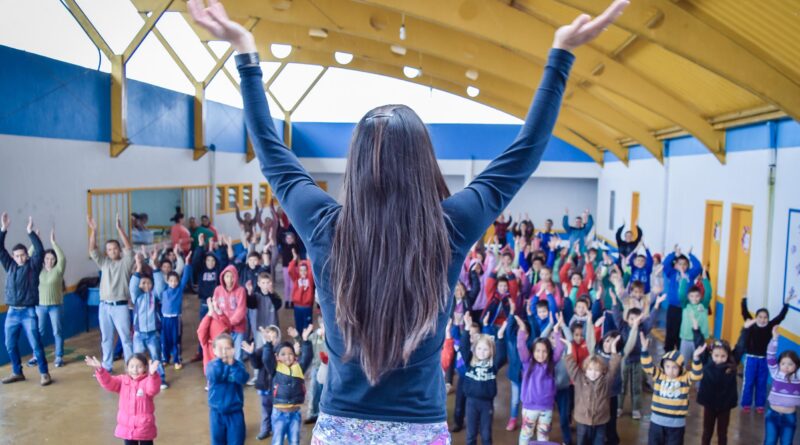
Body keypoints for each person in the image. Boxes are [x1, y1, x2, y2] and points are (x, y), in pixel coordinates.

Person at [187, 0, 629, 441]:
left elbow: (270, 149)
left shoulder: (324, 225)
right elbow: (523, 154)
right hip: (419, 429)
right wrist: (560, 57)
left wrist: (245, 52)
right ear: (423, 164)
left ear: (355, 167)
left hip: (341, 428)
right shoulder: (450, 226)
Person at [0, 213, 51, 385]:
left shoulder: (33, 266)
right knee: (10, 344)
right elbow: (0, 249)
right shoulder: (10, 266)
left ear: (27, 256)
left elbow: (40, 251)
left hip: (29, 312)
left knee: (36, 344)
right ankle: (17, 372)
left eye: (23, 255)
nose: (20, 258)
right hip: (12, 312)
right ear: (13, 257)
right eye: (17, 255)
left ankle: (44, 373)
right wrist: (3, 229)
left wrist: (31, 233)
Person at [88, 213, 135, 372]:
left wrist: (120, 229)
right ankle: (106, 367)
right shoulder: (104, 263)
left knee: (126, 339)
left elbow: (129, 248)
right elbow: (92, 250)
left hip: (121, 306)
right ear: (106, 252)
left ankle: (131, 367)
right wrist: (93, 231)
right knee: (106, 338)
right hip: (104, 306)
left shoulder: (126, 263)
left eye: (115, 248)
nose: (112, 251)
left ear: (119, 250)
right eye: (109, 249)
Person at [640, 332, 706, 445]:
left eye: (675, 367)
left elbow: (697, 374)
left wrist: (696, 358)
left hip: (676, 425)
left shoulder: (685, 378)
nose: (670, 370)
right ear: (663, 367)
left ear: (681, 368)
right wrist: (644, 350)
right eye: (667, 367)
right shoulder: (660, 375)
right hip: (657, 423)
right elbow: (647, 366)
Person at [85, 353, 161, 445]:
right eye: (132, 366)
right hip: (127, 427)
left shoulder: (147, 381)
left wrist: (153, 375)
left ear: (145, 368)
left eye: (139, 367)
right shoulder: (122, 380)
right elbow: (109, 382)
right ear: (127, 367)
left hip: (144, 427)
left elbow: (153, 389)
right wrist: (100, 370)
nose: (135, 370)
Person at [516, 314, 565, 443]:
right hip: (529, 407)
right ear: (532, 351)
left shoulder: (551, 363)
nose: (541, 354)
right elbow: (521, 346)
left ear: (549, 353)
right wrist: (521, 330)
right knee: (526, 435)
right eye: (537, 351)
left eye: (544, 351)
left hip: (546, 407)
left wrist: (556, 331)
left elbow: (560, 349)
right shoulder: (527, 362)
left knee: (543, 437)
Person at [564, 336, 622, 445]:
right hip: (582, 421)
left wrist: (614, 350)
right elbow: (571, 366)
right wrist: (569, 348)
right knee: (582, 442)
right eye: (590, 369)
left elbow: (613, 366)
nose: (593, 373)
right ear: (585, 370)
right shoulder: (579, 379)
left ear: (602, 371)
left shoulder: (606, 381)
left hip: (601, 422)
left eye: (597, 370)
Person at [460, 313, 508, 445]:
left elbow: (502, 355)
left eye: (485, 349)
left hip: (486, 404)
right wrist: (467, 329)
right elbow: (463, 347)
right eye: (479, 349)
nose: (482, 352)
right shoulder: (469, 362)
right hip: (471, 402)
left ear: (491, 351)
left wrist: (500, 337)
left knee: (486, 434)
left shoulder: (493, 365)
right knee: (470, 435)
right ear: (474, 350)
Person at [740, 296, 791, 413]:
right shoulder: (751, 325)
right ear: (756, 317)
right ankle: (746, 403)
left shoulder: (770, 326)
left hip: (764, 360)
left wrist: (786, 304)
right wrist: (744, 300)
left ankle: (760, 405)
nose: (763, 319)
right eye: (760, 317)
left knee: (762, 382)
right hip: (751, 359)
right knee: (748, 382)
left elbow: (780, 317)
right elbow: (744, 312)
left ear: (768, 319)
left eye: (765, 317)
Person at [26, 227, 67, 368]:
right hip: (40, 306)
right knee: (39, 332)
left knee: (57, 331)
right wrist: (35, 240)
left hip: (56, 306)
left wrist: (53, 242)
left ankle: (59, 357)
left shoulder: (58, 270)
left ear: (55, 260)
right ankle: (36, 356)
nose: (50, 260)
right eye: (47, 258)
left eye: (52, 258)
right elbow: (28, 256)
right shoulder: (37, 270)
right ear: (43, 259)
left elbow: (63, 258)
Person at [129, 256, 167, 389]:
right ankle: (138, 379)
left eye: (148, 283)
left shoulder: (155, 296)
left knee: (156, 356)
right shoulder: (136, 297)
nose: (146, 285)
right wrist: (138, 268)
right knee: (138, 357)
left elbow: (161, 286)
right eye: (143, 283)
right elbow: (133, 286)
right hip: (139, 334)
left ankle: (161, 379)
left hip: (152, 334)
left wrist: (155, 267)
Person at [207, 333, 250, 445]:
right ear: (214, 351)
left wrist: (233, 365)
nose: (224, 352)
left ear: (233, 350)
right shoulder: (212, 366)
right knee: (217, 441)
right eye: (220, 349)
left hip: (235, 413)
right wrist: (220, 363)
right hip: (216, 413)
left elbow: (243, 379)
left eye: (227, 348)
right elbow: (213, 376)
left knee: (236, 441)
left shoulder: (238, 365)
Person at [243, 325, 282, 440]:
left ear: (278, 339)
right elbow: (256, 365)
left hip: (276, 389)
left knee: (277, 411)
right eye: (269, 337)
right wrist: (251, 354)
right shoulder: (261, 350)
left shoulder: (280, 351)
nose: (271, 339)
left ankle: (277, 430)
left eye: (274, 337)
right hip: (264, 388)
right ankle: (265, 430)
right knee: (265, 411)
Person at [764, 326, 800, 445]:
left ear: (796, 366)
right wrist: (774, 339)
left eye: (790, 364)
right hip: (772, 414)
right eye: (783, 363)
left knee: (786, 442)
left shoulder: (797, 376)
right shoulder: (776, 373)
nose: (786, 366)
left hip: (789, 417)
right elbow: (770, 356)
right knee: (770, 441)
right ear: (779, 364)